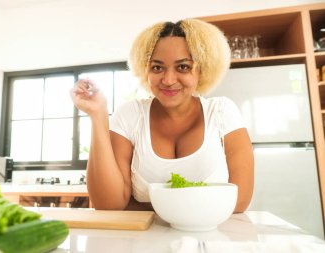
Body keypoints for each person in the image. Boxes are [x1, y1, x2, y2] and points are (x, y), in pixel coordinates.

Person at [71, 18, 254, 213]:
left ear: (202, 69)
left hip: (212, 239)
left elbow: (240, 200)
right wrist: (98, 115)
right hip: (141, 241)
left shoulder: (222, 111)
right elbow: (108, 204)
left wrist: (144, 205)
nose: (168, 80)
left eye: (183, 67)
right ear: (145, 70)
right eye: (157, 67)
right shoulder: (130, 115)